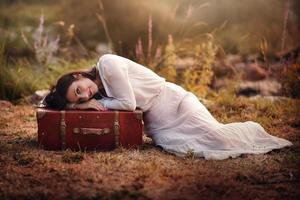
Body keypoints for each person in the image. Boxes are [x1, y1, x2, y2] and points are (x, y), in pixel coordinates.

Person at [44, 54, 292, 160]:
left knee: (219, 139)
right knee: (186, 149)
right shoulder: (99, 90)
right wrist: (84, 105)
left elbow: (129, 104)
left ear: (78, 75)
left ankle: (253, 132)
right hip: (156, 122)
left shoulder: (107, 64)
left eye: (80, 90)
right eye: (80, 99)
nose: (86, 94)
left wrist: (95, 103)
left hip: (175, 103)